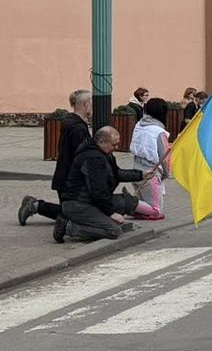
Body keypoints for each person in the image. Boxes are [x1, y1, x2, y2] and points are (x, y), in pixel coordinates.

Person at [19, 89, 93, 227]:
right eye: (92, 103)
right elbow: (81, 156)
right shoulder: (77, 128)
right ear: (86, 105)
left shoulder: (73, 123)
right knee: (77, 216)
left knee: (76, 214)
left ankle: (35, 205)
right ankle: (35, 206)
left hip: (66, 177)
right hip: (70, 180)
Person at [59, 126, 144, 242]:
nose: (116, 148)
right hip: (78, 204)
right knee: (114, 231)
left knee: (128, 202)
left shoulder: (104, 154)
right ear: (101, 142)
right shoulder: (93, 158)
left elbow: (116, 173)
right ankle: (68, 227)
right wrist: (110, 213)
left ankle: (99, 221)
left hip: (88, 201)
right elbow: (98, 190)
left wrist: (141, 175)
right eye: (114, 145)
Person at [130, 97, 172, 220]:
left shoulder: (139, 125)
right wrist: (166, 173)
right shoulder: (159, 132)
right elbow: (164, 156)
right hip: (151, 174)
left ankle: (133, 206)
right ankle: (127, 203)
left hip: (136, 169)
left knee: (145, 208)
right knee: (156, 212)